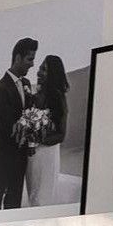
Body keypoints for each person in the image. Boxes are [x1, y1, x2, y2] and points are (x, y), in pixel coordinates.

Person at [0, 37, 38, 211]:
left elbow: (30, 113)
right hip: (1, 159)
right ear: (17, 58)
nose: (32, 64)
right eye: (29, 59)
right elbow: (8, 129)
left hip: (20, 159)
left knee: (13, 207)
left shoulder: (26, 84)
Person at [26, 55, 69, 206]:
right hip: (32, 155)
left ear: (53, 74)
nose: (38, 72)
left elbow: (61, 134)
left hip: (46, 154)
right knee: (33, 193)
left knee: (42, 196)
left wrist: (37, 138)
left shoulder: (57, 97)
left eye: (43, 69)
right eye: (40, 68)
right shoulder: (35, 94)